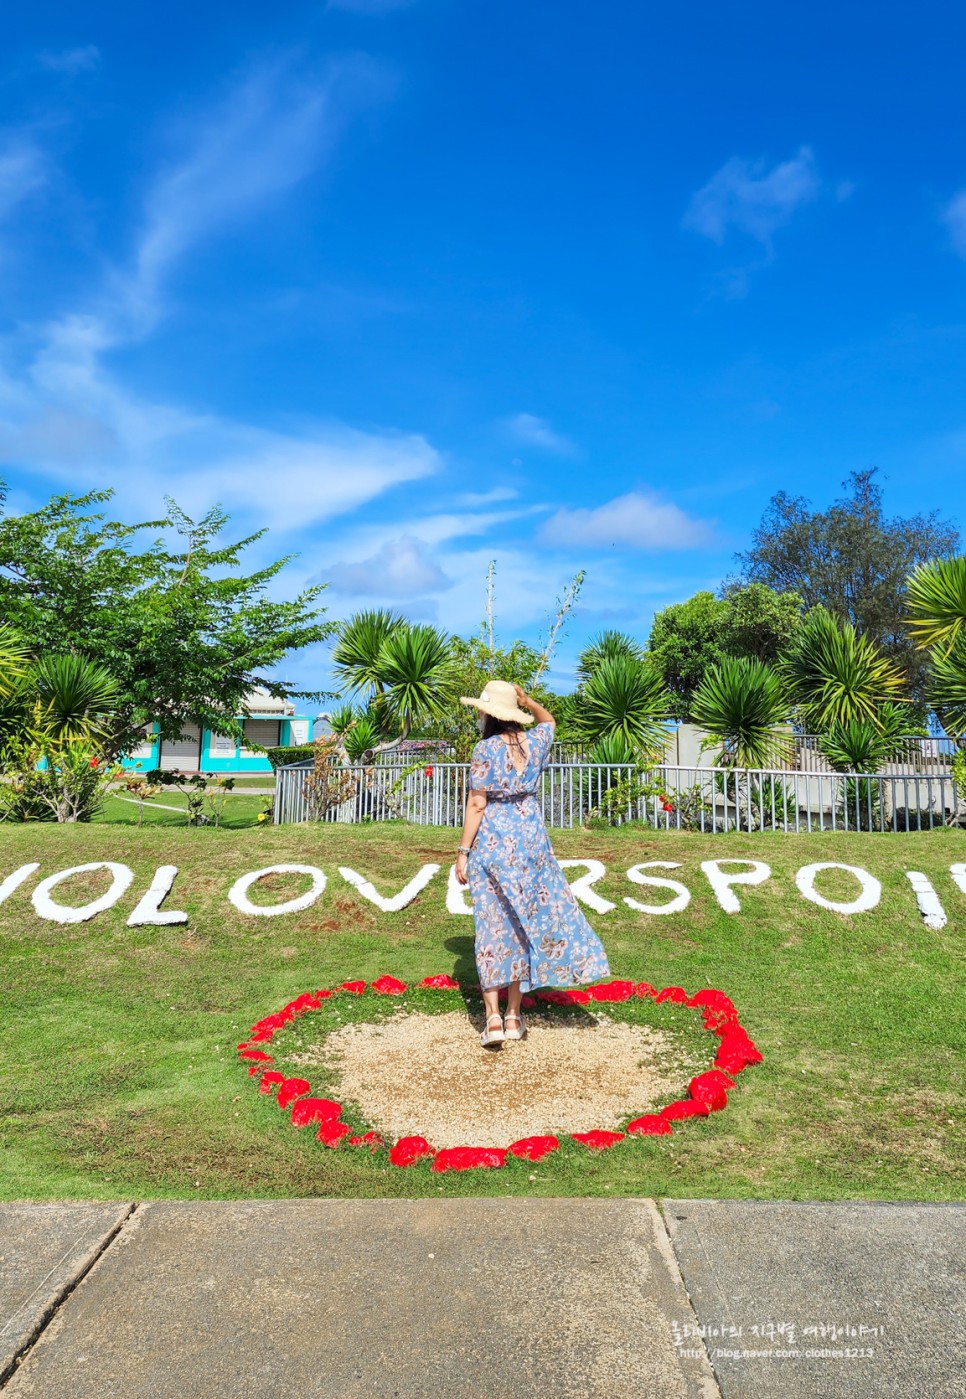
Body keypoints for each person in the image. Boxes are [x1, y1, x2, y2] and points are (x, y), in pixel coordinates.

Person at [455, 680, 611, 1047]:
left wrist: (463, 852)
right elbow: (550, 721)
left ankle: (492, 1019)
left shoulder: (484, 750)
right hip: (530, 840)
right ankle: (513, 1016)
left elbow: (477, 804)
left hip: (494, 842)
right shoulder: (535, 743)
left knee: (492, 926)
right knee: (522, 925)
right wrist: (528, 701)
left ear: (489, 713)